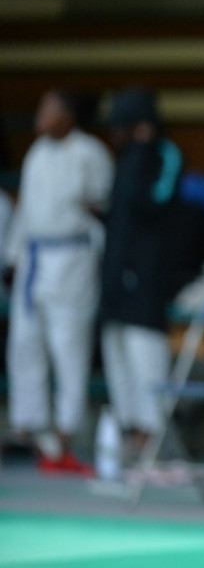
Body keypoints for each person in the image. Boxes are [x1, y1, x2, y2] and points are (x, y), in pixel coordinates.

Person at [3, 90, 113, 473]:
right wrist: (13, 256)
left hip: (72, 257)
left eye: (48, 109)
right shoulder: (36, 153)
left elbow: (103, 204)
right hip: (33, 258)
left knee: (68, 347)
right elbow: (27, 210)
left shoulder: (90, 152)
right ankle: (31, 428)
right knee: (24, 344)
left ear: (68, 115)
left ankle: (67, 433)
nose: (40, 116)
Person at [99, 87, 185, 456]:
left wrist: (143, 151)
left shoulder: (163, 154)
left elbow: (156, 203)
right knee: (116, 351)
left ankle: (153, 440)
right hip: (115, 272)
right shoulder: (123, 160)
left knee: (144, 352)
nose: (115, 135)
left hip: (148, 277)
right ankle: (130, 433)